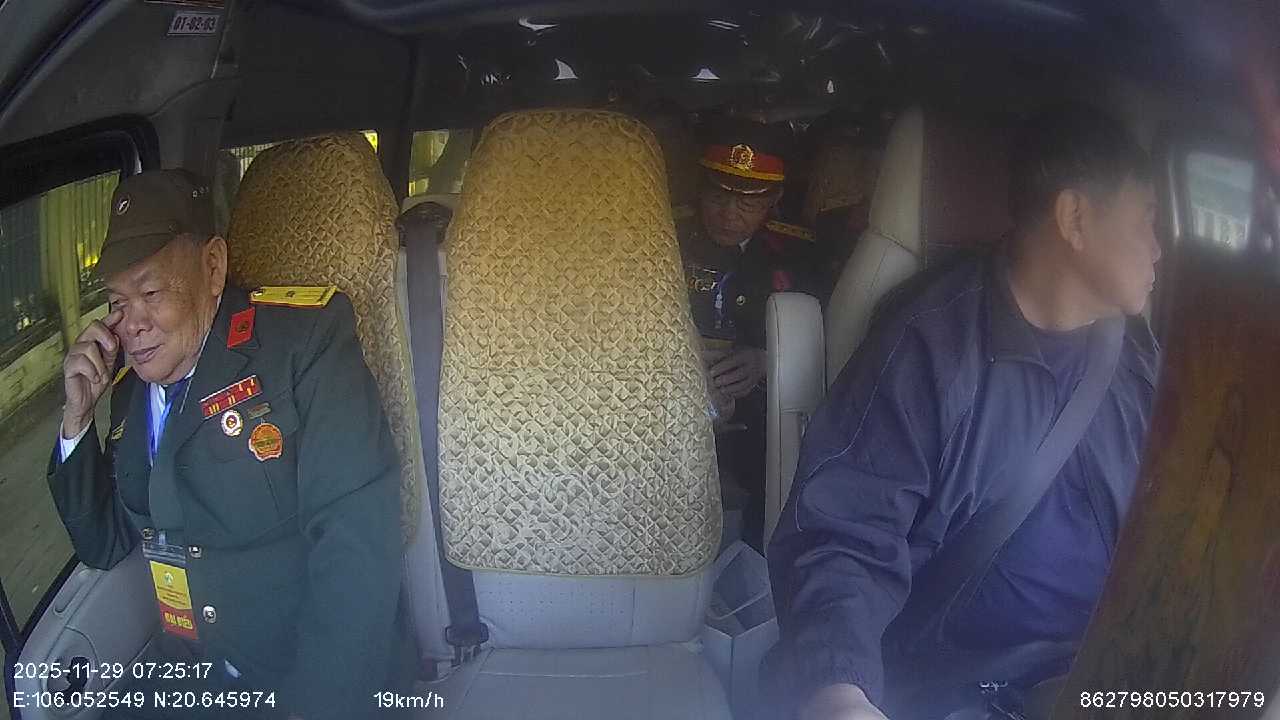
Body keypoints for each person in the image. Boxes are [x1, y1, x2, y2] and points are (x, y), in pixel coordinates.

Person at [766, 104, 1162, 720]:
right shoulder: (932, 348)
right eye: (1146, 222)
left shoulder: (1135, 357)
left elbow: (1177, 516)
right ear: (1076, 219)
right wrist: (840, 690)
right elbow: (845, 533)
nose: (1158, 249)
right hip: (959, 690)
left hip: (1111, 680)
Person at [48, 170, 409, 719]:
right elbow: (105, 544)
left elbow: (355, 549)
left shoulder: (303, 344)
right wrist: (77, 417)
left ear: (213, 267)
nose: (131, 325)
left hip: (300, 675)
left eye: (150, 293)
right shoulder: (128, 390)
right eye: (117, 302)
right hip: (190, 677)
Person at [677, 117, 819, 550]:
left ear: (774, 199)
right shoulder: (662, 237)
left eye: (748, 203)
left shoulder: (801, 253)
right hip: (665, 400)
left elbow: (826, 338)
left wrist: (766, 360)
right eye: (718, 196)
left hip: (759, 411)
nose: (729, 214)